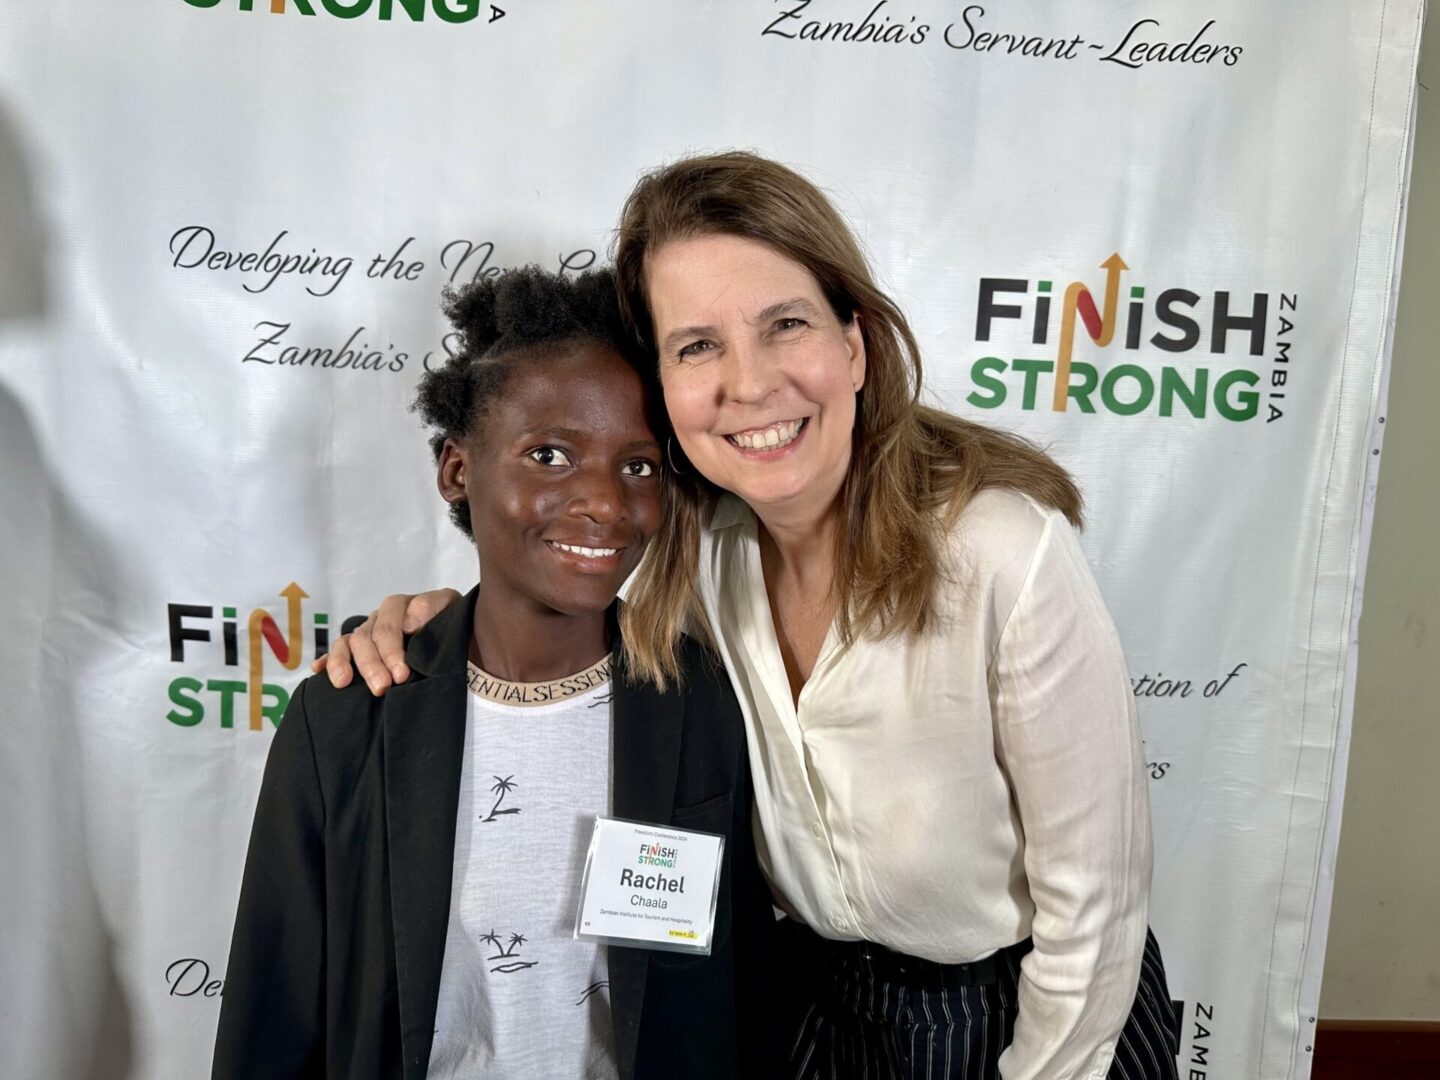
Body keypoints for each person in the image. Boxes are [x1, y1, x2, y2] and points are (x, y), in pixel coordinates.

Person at [324, 153, 1181, 1080]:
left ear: (855, 346)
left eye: (786, 324)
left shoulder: (1003, 550)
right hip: (816, 1015)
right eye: (697, 346)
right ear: (662, 388)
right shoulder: (690, 571)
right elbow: (544, 615)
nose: (751, 382)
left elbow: (1095, 916)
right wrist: (432, 628)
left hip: (1030, 1021)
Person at [213, 266, 777, 1080]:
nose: (604, 503)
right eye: (549, 455)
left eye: (639, 466)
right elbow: (273, 1023)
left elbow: (743, 1001)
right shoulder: (346, 719)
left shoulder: (699, 702)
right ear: (457, 470)